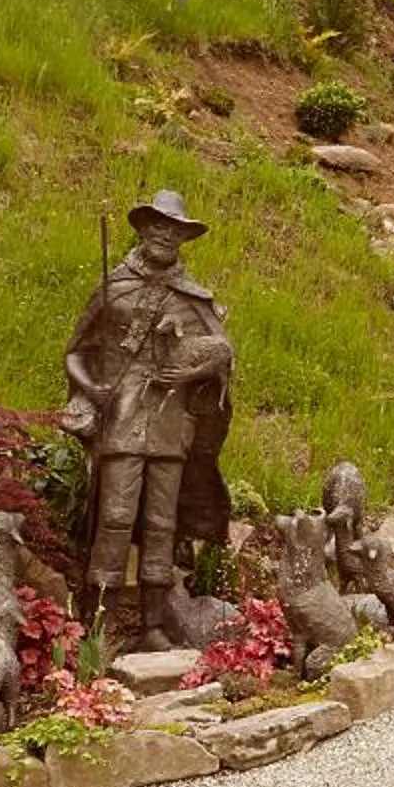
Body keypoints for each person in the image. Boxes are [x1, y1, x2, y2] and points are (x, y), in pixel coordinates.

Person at [64, 190, 235, 650]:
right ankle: (98, 628)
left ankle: (153, 628)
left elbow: (222, 356)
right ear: (142, 229)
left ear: (183, 238)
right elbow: (75, 353)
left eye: (175, 229)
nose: (166, 235)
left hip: (170, 423)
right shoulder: (114, 288)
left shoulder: (193, 298)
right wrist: (93, 388)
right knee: (115, 518)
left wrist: (191, 373)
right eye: (159, 225)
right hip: (121, 418)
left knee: (163, 524)